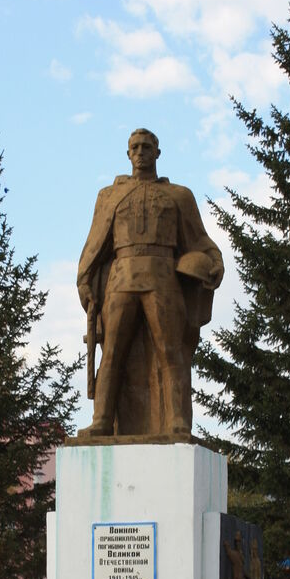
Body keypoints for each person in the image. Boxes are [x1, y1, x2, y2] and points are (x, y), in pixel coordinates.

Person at [77, 128, 224, 438]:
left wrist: (214, 261)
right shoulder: (109, 196)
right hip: (122, 277)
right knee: (112, 353)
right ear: (128, 154)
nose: (140, 151)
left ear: (158, 153)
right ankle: (102, 420)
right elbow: (94, 244)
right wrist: (85, 280)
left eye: (147, 146)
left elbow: (199, 239)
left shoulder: (179, 196)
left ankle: (177, 423)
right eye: (135, 147)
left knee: (172, 352)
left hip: (163, 276)